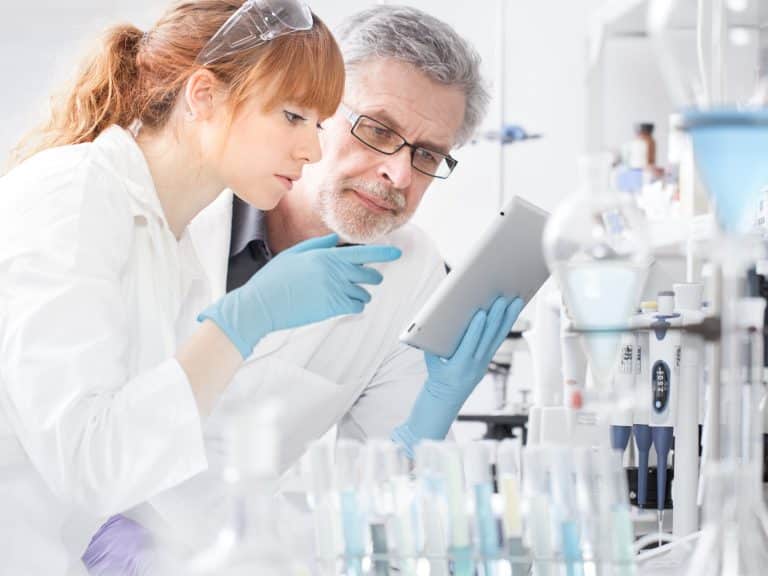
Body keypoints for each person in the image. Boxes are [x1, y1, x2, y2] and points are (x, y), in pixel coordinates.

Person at [83, 4, 526, 572]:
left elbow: (372, 503)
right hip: (95, 531)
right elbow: (78, 423)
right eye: (378, 130)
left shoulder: (411, 269)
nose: (400, 175)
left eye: (427, 154)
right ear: (317, 110)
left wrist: (425, 426)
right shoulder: (185, 205)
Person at [0, 1, 404, 574]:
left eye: (318, 124)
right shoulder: (74, 199)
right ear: (204, 96)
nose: (312, 150)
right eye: (293, 116)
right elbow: (91, 466)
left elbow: (154, 464)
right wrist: (243, 321)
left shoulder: (174, 246)